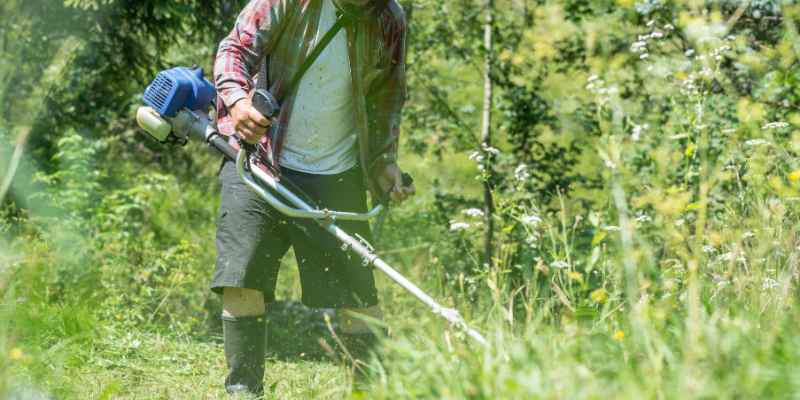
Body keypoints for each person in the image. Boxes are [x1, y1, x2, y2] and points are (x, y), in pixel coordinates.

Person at [211, 0, 413, 395]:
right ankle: (243, 392)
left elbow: (389, 95)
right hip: (259, 160)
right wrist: (237, 102)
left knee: (358, 294)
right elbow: (234, 50)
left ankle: (368, 392)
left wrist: (384, 161)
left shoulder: (389, 18)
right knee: (242, 278)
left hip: (336, 172)